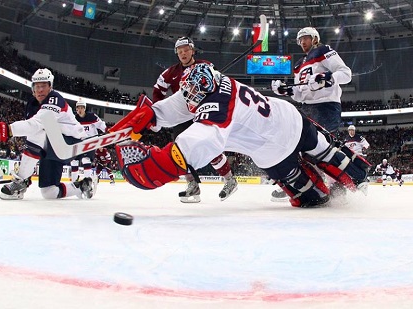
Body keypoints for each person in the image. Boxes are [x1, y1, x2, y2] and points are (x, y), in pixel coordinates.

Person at [114, 63, 369, 208]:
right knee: (328, 153)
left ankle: (348, 183)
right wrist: (146, 118)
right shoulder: (213, 83)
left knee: (313, 198)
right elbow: (182, 101)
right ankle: (356, 179)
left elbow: (198, 143)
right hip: (290, 120)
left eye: (192, 92)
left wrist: (155, 168)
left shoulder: (217, 107)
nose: (189, 97)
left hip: (273, 152)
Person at [0, 68, 93, 200]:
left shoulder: (55, 99)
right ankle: (81, 186)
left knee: (37, 129)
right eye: (37, 86)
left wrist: (7, 130)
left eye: (43, 86)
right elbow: (33, 133)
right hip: (54, 147)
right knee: (49, 192)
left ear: (50, 87)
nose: (40, 90)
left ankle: (19, 182)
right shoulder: (32, 104)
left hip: (70, 144)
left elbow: (37, 125)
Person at [270, 26, 352, 201]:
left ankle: (340, 187)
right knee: (299, 149)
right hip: (307, 108)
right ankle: (307, 186)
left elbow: (346, 74)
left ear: (315, 38)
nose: (302, 42)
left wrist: (327, 78)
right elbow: (300, 95)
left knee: (322, 149)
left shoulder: (324, 51)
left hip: (326, 106)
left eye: (305, 38)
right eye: (300, 40)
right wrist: (286, 91)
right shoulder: (299, 65)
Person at [152, 36, 237, 203]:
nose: (183, 54)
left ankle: (230, 180)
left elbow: (220, 84)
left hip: (202, 112)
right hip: (181, 117)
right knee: (179, 152)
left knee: (210, 147)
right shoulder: (171, 72)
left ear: (192, 50)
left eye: (186, 50)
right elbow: (158, 90)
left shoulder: (204, 65)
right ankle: (192, 186)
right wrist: (162, 109)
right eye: (180, 51)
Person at [70, 99, 107, 183]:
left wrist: (107, 131)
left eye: (81, 108)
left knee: (85, 160)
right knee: (74, 161)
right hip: (80, 142)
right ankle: (74, 181)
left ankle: (87, 181)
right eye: (78, 108)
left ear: (84, 108)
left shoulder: (91, 116)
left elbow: (101, 124)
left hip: (91, 142)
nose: (79, 110)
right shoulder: (75, 119)